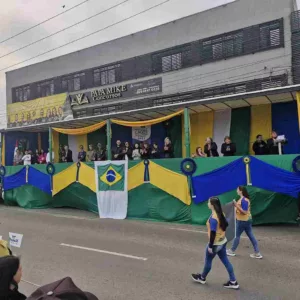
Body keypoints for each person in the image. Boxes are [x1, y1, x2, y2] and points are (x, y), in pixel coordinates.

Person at [191, 197, 239, 290]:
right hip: (223, 241)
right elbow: (226, 225)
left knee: (208, 261)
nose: (207, 204)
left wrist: (210, 246)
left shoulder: (213, 218)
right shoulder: (221, 214)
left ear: (212, 205)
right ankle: (233, 281)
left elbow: (213, 232)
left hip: (215, 244)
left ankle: (202, 277)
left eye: (208, 202)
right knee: (226, 261)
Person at [227, 186, 263, 259]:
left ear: (241, 191)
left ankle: (232, 251)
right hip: (246, 220)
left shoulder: (244, 200)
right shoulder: (243, 199)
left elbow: (244, 212)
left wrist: (236, 205)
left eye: (237, 190)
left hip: (243, 220)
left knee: (237, 236)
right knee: (251, 235)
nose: (236, 191)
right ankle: (257, 253)